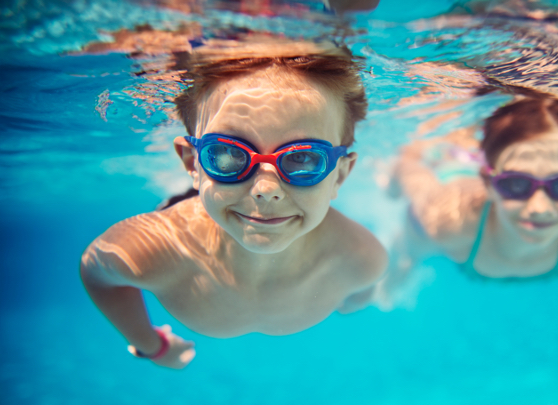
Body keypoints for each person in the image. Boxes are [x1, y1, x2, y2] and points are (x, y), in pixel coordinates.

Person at [80, 38, 388, 369]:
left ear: (340, 175)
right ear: (191, 164)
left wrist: (354, 298)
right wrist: (150, 345)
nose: (266, 189)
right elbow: (96, 273)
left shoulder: (361, 260)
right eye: (227, 153)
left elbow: (361, 293)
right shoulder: (152, 251)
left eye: (302, 158)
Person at [388, 96, 558, 285]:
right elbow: (408, 168)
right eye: (516, 184)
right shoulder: (446, 219)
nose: (540, 208)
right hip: (453, 170)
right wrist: (406, 259)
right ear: (488, 183)